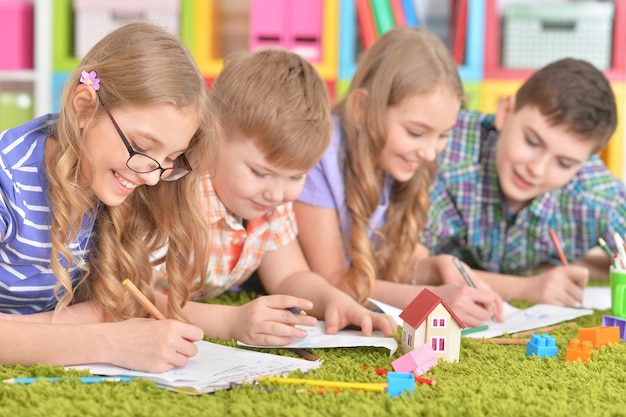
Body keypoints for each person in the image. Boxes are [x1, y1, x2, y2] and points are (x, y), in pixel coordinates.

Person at [0, 22, 214, 372]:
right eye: (143, 147)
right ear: (84, 107)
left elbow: (111, 302)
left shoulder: (117, 178)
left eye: (172, 159)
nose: (151, 175)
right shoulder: (7, 179)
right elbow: (98, 322)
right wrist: (108, 341)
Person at [153, 47, 397, 344]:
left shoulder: (269, 202)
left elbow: (289, 276)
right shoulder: (173, 195)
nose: (277, 193)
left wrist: (335, 301)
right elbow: (136, 297)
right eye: (259, 172)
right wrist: (229, 321)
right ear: (212, 136)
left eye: (295, 177)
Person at [293, 27, 504, 328]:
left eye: (443, 135)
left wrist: (439, 265)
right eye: (416, 132)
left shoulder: (403, 161)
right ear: (363, 107)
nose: (430, 152)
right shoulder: (320, 155)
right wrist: (428, 298)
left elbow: (402, 261)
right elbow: (333, 280)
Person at [420, 57, 625, 307]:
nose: (536, 169)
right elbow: (409, 266)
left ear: (585, 163)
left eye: (564, 163)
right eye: (532, 142)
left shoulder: (597, 194)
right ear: (506, 112)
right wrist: (525, 287)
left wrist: (586, 267)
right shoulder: (445, 147)